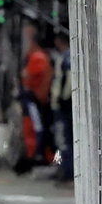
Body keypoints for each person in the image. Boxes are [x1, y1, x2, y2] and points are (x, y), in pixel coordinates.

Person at [17, 22, 55, 171]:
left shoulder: (38, 57)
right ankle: (37, 154)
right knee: (32, 126)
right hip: (33, 98)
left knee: (36, 127)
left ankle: (38, 155)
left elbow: (28, 75)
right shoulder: (35, 57)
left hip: (34, 98)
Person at [51, 31, 74, 182]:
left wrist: (61, 99)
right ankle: (66, 168)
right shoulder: (71, 56)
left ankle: (66, 169)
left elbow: (66, 80)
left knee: (62, 139)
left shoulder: (65, 58)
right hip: (67, 104)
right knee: (68, 138)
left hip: (63, 105)